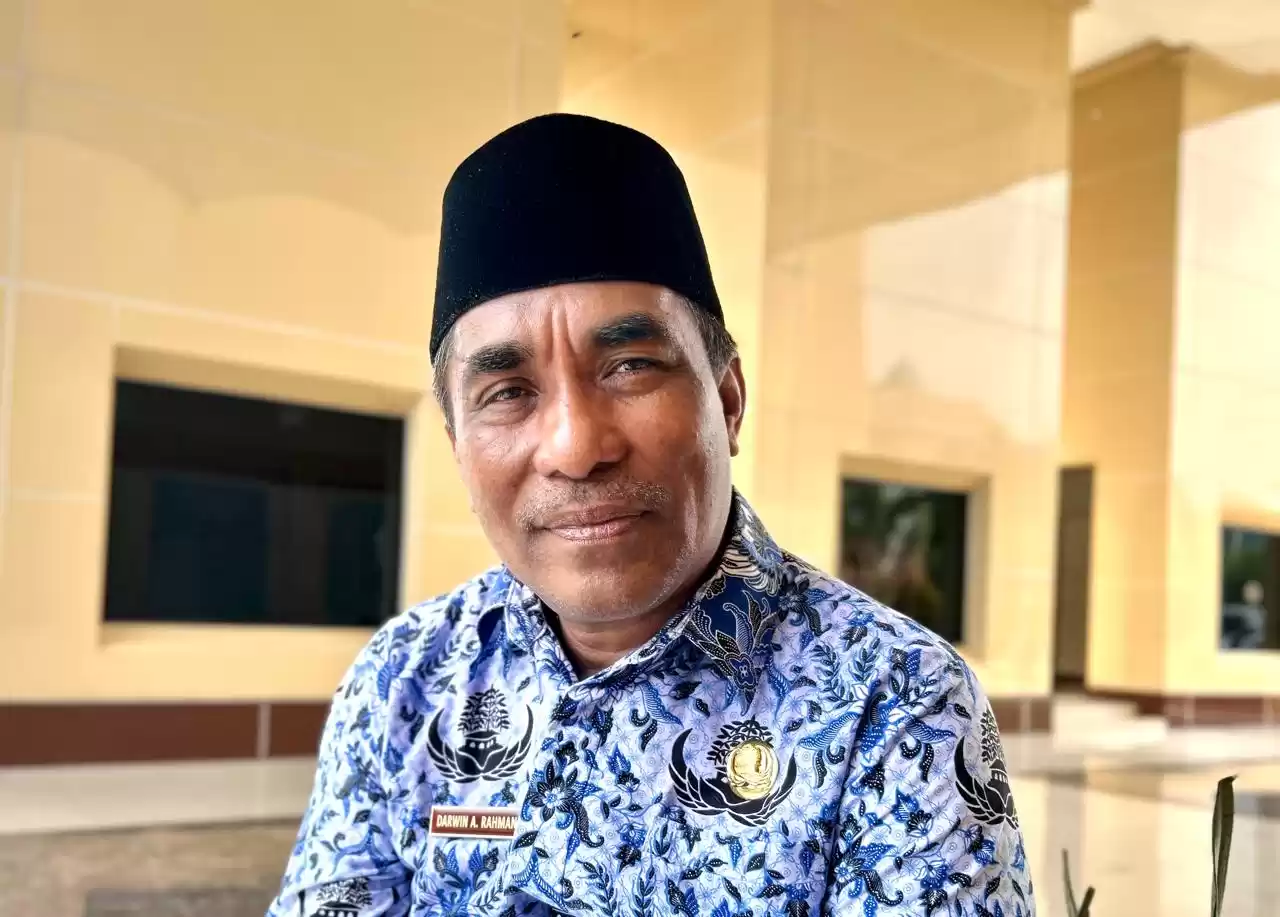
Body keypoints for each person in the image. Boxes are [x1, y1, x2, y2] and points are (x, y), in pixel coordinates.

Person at [268, 114, 1032, 917]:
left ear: (727, 402)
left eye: (630, 365)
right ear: (459, 445)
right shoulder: (404, 681)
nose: (575, 447)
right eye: (508, 392)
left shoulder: (894, 702)